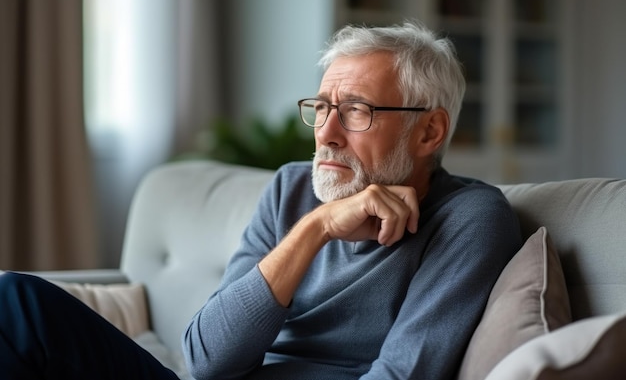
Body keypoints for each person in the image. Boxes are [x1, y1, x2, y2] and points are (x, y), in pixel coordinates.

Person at [0, 21, 522, 380]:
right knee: (18, 301)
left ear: (429, 132)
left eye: (356, 110)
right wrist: (315, 228)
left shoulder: (469, 220)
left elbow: (404, 373)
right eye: (321, 108)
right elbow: (206, 359)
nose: (327, 133)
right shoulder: (293, 190)